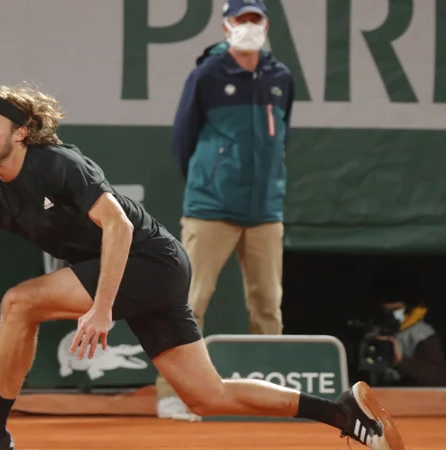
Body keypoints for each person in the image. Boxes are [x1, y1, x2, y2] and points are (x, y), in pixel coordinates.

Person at [0, 83, 404, 450]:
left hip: (150, 260)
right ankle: (342, 415)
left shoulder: (60, 164)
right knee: (206, 396)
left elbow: (118, 226)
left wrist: (100, 309)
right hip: (140, 278)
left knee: (18, 302)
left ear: (21, 131)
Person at [156, 0, 294, 420]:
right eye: (241, 19)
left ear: (266, 24)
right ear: (226, 25)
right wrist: (210, 181)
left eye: (256, 19)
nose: (249, 26)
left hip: (265, 211)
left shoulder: (281, 77)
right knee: (189, 302)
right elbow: (183, 139)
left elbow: (281, 138)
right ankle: (171, 395)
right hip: (211, 209)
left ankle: (269, 397)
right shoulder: (206, 75)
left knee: (268, 305)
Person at [369, 268, 446, 387]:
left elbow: (438, 377)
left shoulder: (422, 334)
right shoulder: (371, 331)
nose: (392, 316)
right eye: (386, 311)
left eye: (396, 310)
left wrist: (401, 361)